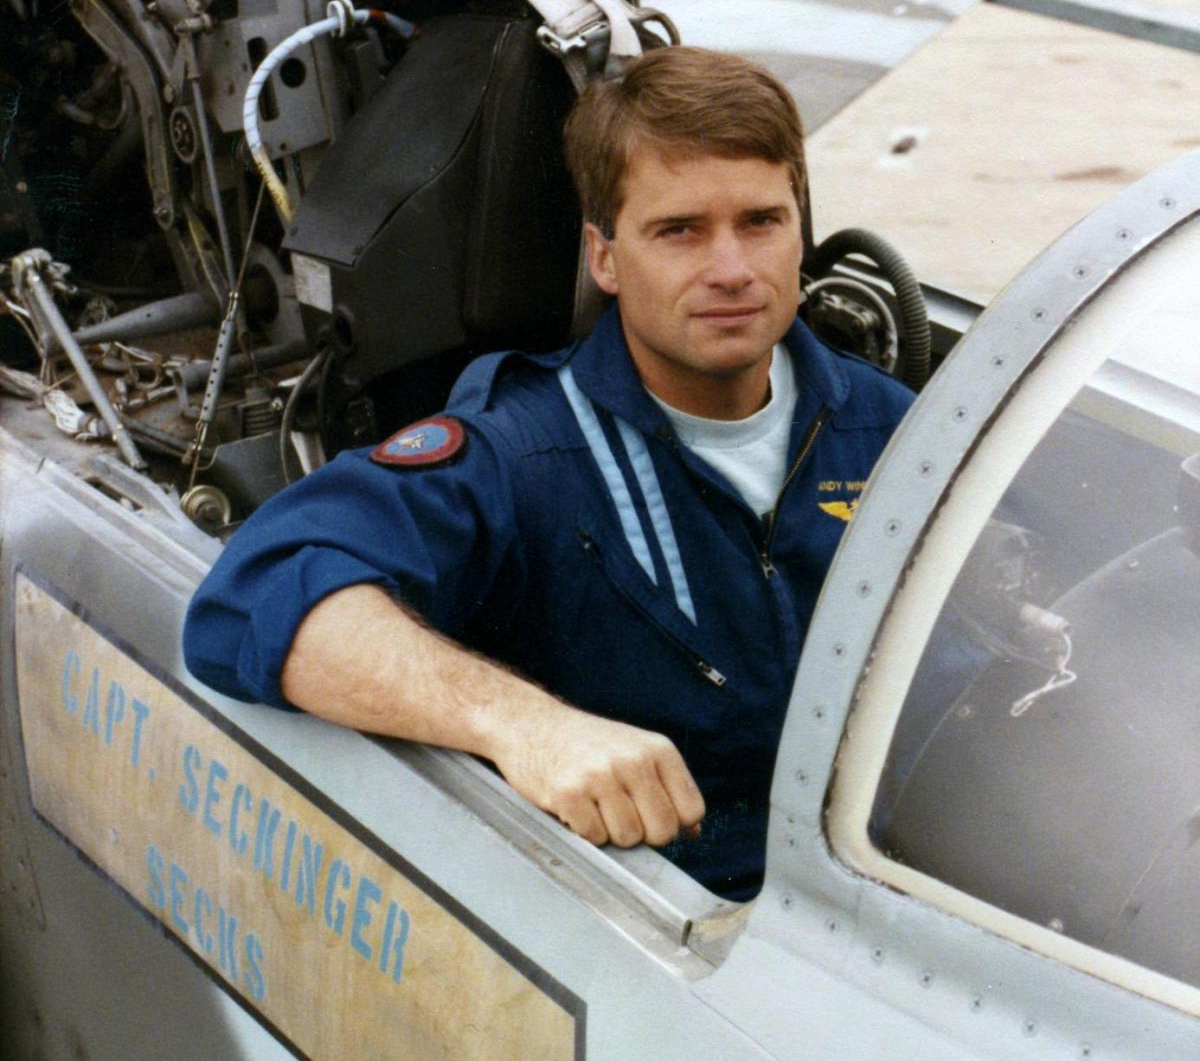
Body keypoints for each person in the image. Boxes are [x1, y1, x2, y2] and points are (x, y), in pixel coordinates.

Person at [183, 47, 912, 900]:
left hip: (872, 900)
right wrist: (525, 726)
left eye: (760, 221)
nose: (731, 270)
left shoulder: (893, 426)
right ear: (604, 258)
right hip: (672, 928)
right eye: (678, 231)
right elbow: (254, 595)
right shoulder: (521, 456)